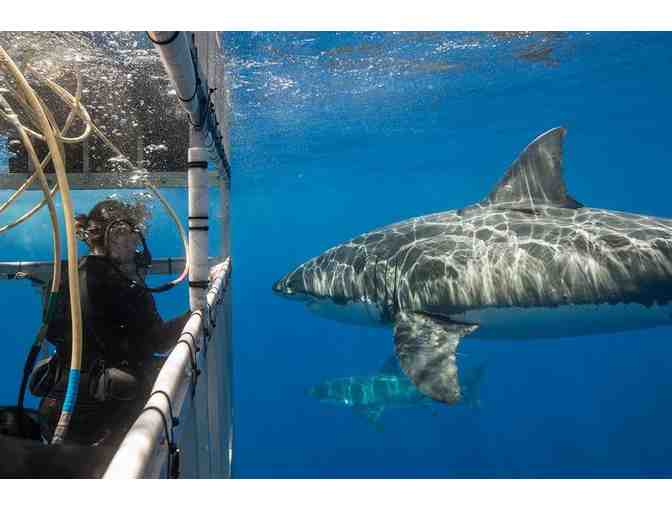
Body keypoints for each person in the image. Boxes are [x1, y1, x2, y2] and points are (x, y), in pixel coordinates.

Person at [36, 199, 190, 447]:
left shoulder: (68, 276)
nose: (135, 246)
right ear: (115, 236)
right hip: (104, 417)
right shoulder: (122, 284)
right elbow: (158, 341)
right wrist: (195, 313)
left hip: (55, 409)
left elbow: (54, 332)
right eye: (131, 237)